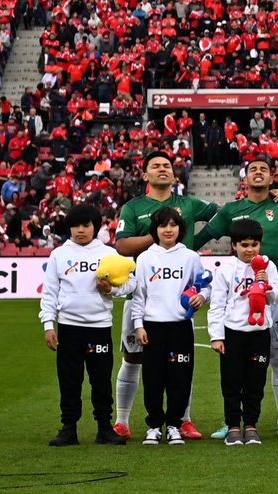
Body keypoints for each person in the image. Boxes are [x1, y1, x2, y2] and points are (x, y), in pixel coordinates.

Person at [112, 151, 218, 440]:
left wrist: (198, 239)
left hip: (177, 304)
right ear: (145, 174)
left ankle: (182, 420)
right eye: (155, 165)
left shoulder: (190, 204)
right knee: (134, 357)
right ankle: (122, 420)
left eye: (167, 166)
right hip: (143, 298)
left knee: (181, 361)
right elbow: (122, 246)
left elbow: (223, 217)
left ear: (174, 174)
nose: (162, 169)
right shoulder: (133, 208)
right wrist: (156, 235)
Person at [197, 157, 278, 438]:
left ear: (272, 178)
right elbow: (203, 237)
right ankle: (231, 421)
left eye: (264, 170)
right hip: (238, 306)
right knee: (234, 369)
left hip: (275, 297)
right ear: (245, 178)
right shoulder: (232, 210)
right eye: (253, 169)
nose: (258, 173)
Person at [39, 204, 136, 447]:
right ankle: (69, 428)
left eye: (86, 225)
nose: (80, 230)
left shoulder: (108, 254)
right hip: (69, 328)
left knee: (101, 380)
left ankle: (104, 428)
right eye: (75, 226)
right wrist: (48, 324)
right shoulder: (59, 255)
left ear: (96, 227)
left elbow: (131, 284)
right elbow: (49, 293)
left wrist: (111, 289)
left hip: (99, 327)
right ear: (69, 227)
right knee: (69, 380)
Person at [128, 207, 210, 446]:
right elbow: (138, 295)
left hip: (180, 327)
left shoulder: (190, 257)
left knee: (180, 378)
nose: (168, 230)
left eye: (173, 225)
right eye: (163, 225)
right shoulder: (145, 258)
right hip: (152, 327)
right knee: (153, 378)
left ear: (180, 229)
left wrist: (202, 297)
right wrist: (138, 325)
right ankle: (154, 426)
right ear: (155, 229)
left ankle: (174, 425)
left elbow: (204, 285)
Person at [207, 218, 278, 446]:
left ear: (260, 245)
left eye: (254, 245)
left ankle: (250, 425)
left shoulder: (268, 266)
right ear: (234, 246)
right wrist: (216, 336)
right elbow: (217, 304)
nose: (250, 250)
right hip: (233, 333)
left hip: (259, 333)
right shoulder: (226, 269)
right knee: (231, 382)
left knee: (255, 382)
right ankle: (232, 426)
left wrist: (267, 285)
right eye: (244, 245)